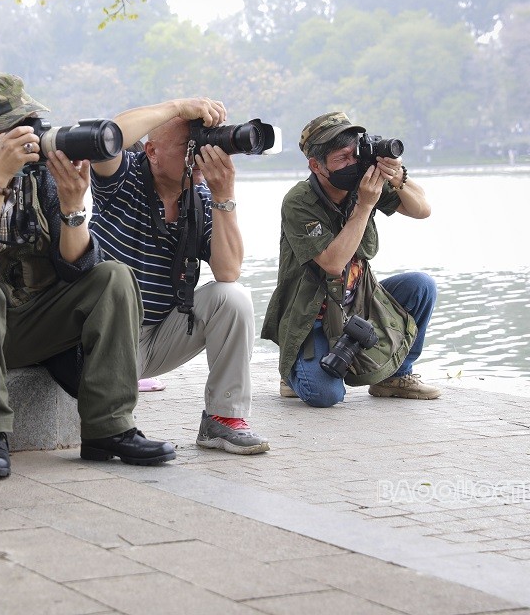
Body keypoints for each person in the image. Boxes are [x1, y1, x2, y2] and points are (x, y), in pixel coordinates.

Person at [0, 72, 176, 478]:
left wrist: (72, 204)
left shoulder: (39, 174)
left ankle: (109, 429)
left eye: (29, 124)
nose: (27, 137)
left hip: (25, 322)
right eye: (11, 130)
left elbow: (76, 266)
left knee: (113, 277)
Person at [90, 99, 269, 456]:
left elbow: (228, 271)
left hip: (158, 339)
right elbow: (105, 136)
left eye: (202, 146)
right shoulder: (124, 177)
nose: (198, 156)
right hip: (107, 341)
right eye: (189, 146)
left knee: (232, 297)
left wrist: (224, 195)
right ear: (152, 151)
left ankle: (223, 419)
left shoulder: (201, 198)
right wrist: (178, 107)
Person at [262, 111, 440, 408]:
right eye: (341, 159)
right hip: (312, 314)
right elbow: (333, 263)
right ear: (316, 165)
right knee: (325, 396)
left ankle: (395, 376)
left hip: (357, 300)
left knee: (421, 286)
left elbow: (422, 209)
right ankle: (293, 370)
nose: (352, 163)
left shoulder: (362, 181)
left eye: (354, 154)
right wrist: (365, 206)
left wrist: (397, 176)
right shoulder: (299, 201)